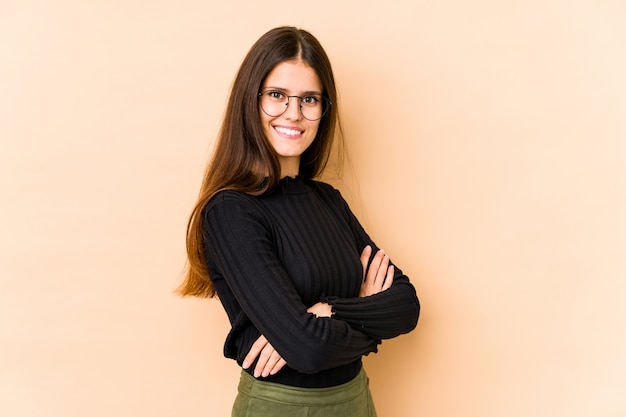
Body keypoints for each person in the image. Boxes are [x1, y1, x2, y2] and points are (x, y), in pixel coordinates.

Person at [179, 26, 420, 417]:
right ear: (250, 101)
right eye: (277, 95)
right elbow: (308, 349)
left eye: (309, 99)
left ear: (324, 109)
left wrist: (326, 311)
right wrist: (361, 307)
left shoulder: (328, 201)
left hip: (356, 398)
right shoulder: (231, 211)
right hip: (284, 407)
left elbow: (406, 307)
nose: (294, 113)